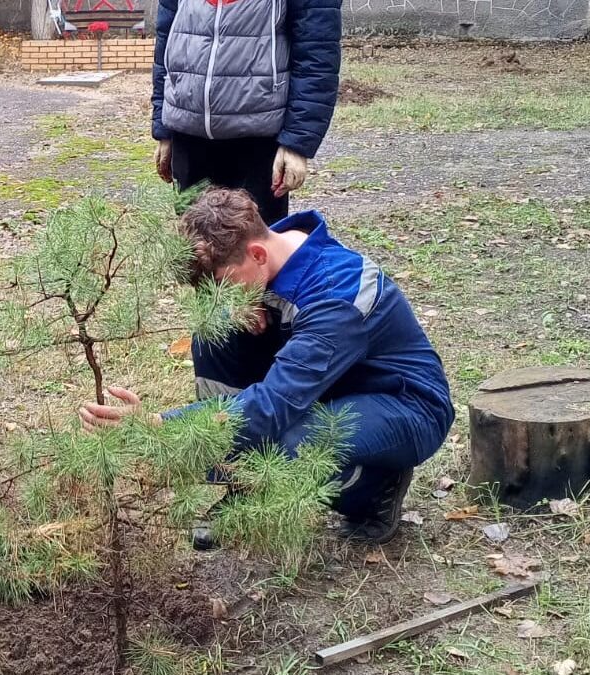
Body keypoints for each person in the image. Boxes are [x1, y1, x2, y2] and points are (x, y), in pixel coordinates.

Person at [79, 188, 454, 545]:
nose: (219, 298)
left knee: (290, 442)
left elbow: (272, 406)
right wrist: (241, 304)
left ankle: (373, 488)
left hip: (403, 404)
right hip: (331, 383)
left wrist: (165, 430)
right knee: (216, 334)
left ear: (258, 255)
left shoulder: (334, 298)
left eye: (225, 285)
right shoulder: (276, 251)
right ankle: (244, 482)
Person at [151, 0, 342, 224]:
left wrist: (297, 142)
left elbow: (316, 55)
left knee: (254, 249)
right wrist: (163, 128)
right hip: (188, 133)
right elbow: (166, 41)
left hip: (259, 138)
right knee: (193, 246)